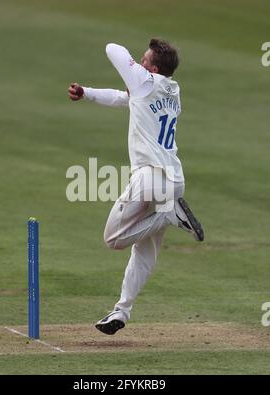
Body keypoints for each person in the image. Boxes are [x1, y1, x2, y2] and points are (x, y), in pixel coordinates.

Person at [68, 38, 204, 335]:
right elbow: (122, 98)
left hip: (150, 179)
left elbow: (111, 48)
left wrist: (134, 68)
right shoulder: (172, 89)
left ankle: (169, 216)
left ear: (152, 68)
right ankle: (122, 310)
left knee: (113, 239)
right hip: (174, 182)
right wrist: (87, 93)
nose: (139, 64)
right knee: (145, 252)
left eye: (144, 61)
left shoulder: (144, 80)